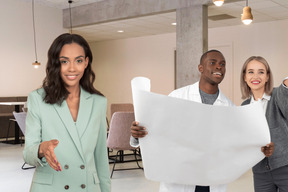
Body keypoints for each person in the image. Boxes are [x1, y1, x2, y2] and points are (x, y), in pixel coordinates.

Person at [130, 50, 274, 192]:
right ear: (201, 68)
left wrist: (260, 149)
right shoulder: (177, 96)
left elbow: (237, 144)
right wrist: (137, 135)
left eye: (222, 64)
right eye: (213, 63)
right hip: (180, 179)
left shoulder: (229, 107)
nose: (219, 67)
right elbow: (158, 131)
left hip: (211, 181)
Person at [23, 33, 111, 192]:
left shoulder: (99, 102)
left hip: (88, 187)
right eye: (64, 61)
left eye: (78, 60)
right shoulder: (37, 99)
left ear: (86, 62)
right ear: (55, 63)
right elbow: (28, 153)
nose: (72, 68)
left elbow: (101, 159)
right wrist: (42, 148)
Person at [240, 56, 287, 192]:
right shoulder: (244, 106)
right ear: (244, 77)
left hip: (285, 167)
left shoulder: (278, 95)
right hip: (260, 173)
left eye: (261, 72)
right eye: (250, 72)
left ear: (267, 77)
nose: (256, 76)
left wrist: (285, 82)